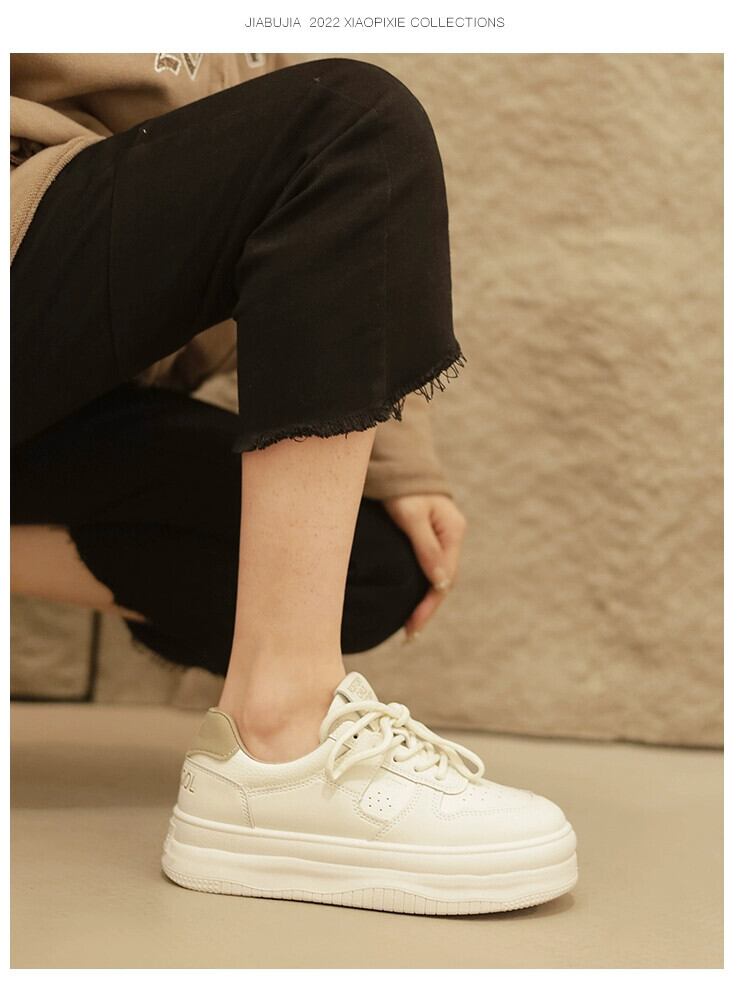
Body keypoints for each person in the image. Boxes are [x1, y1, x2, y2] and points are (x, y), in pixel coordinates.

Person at [10, 53, 577, 915]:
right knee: (352, 123)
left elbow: (319, 222)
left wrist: (399, 461)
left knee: (367, 567)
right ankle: (275, 743)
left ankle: (277, 740)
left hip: (60, 376)